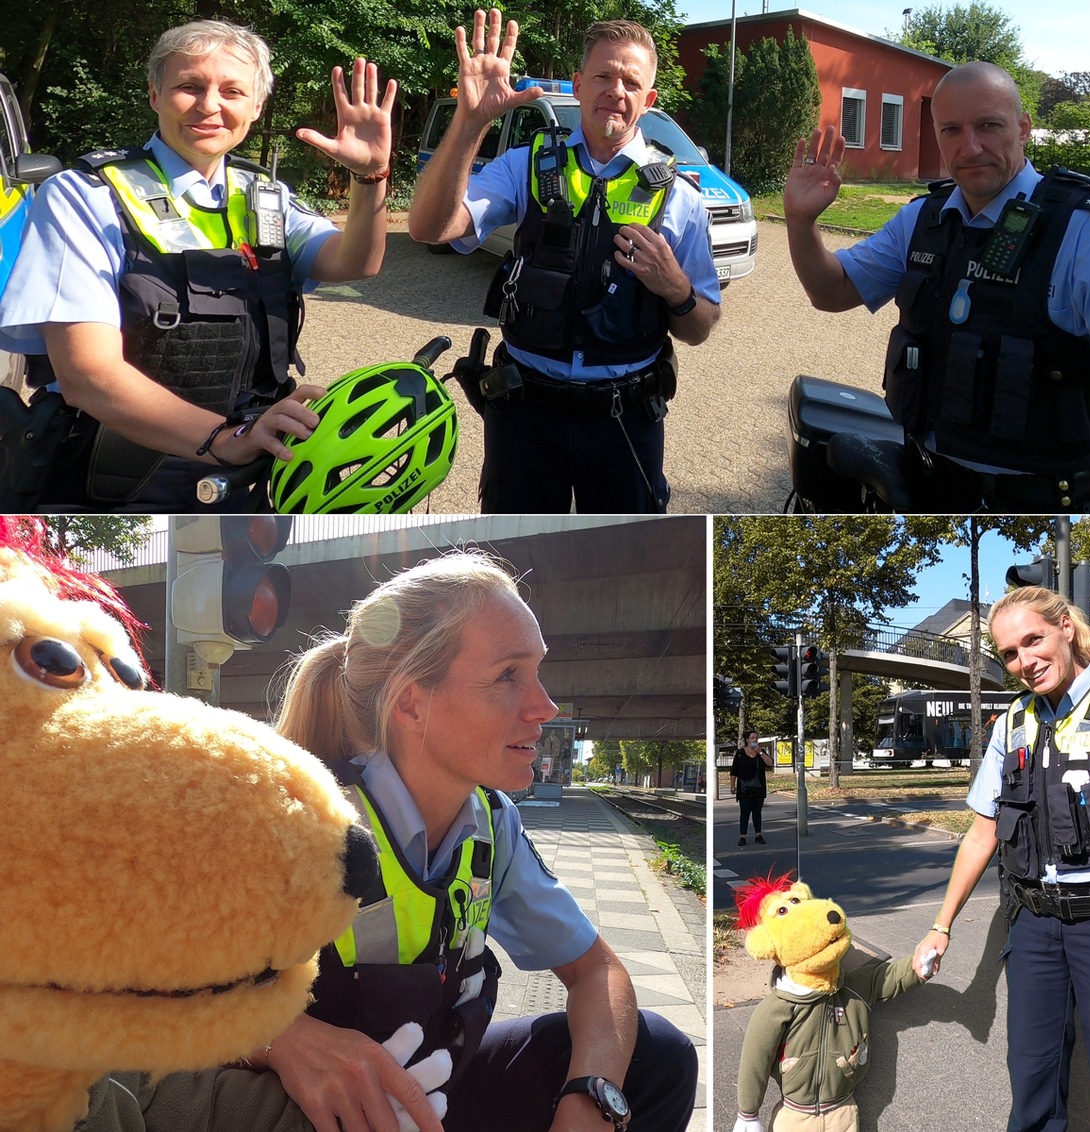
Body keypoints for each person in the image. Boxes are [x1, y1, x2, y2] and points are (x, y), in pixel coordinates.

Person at [253, 550, 698, 1132]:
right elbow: (145, 994)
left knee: (661, 1054)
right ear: (413, 701)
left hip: (432, 1093)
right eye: (509, 675)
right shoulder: (287, 819)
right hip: (305, 1110)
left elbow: (597, 974)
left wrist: (590, 1095)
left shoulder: (493, 824)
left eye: (537, 672)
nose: (545, 706)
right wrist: (282, 1040)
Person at [0, 19, 396, 511]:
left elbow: (355, 262)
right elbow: (86, 374)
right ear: (154, 94)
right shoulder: (85, 196)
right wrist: (222, 439)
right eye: (190, 86)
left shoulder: (264, 195)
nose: (210, 105)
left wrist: (371, 176)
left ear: (256, 107)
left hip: (246, 461)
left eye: (232, 90)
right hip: (114, 476)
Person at [784, 60, 1090, 513]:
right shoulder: (925, 219)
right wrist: (800, 222)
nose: (971, 147)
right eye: (952, 130)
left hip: (1041, 512)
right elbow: (832, 292)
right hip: (926, 494)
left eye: (989, 126)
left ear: (1023, 128)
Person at [407, 9, 721, 515]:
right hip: (524, 414)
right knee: (514, 556)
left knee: (623, 559)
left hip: (625, 418)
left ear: (649, 100)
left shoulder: (680, 197)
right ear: (578, 85)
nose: (615, 90)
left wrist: (676, 287)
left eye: (631, 81)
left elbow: (701, 327)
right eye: (603, 75)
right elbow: (430, 228)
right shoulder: (526, 163)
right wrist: (469, 124)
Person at [914, 585, 1090, 1132]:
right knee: (1031, 1091)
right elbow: (981, 833)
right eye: (1010, 654)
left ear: (1066, 627)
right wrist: (940, 925)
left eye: (1033, 640)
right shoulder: (1013, 724)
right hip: (1035, 929)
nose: (1025, 662)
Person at [730, 731, 772, 846]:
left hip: (758, 788)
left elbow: (770, 763)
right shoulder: (740, 754)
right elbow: (734, 771)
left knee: (757, 812)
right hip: (744, 789)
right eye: (752, 738)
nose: (754, 740)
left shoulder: (761, 753)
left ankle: (758, 835)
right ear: (747, 740)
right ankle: (742, 836)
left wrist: (760, 753)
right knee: (745, 813)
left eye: (756, 738)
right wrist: (732, 785)